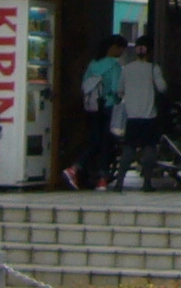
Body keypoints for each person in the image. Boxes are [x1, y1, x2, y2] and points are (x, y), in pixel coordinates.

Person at [67, 36, 126, 189]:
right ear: (113, 47)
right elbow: (116, 89)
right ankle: (102, 179)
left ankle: (75, 168)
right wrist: (118, 100)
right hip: (108, 106)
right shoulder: (114, 65)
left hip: (93, 107)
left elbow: (85, 85)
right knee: (107, 143)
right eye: (121, 48)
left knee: (94, 140)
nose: (122, 52)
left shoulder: (93, 64)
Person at [117, 38, 167, 188]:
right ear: (150, 51)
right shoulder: (153, 68)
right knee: (149, 147)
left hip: (132, 116)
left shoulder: (126, 68)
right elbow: (162, 88)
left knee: (129, 148)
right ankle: (147, 182)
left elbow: (119, 91)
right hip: (149, 116)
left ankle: (119, 182)